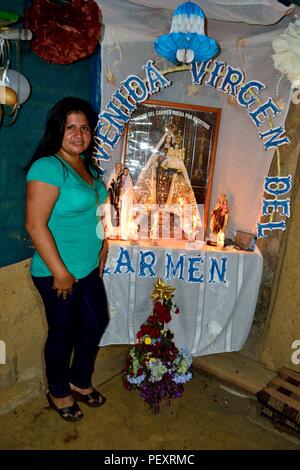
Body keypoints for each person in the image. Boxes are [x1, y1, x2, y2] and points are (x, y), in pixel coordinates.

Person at [25, 97, 109, 422]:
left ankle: (79, 381)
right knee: (63, 334)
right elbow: (35, 224)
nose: (78, 133)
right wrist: (60, 273)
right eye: (70, 127)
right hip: (56, 273)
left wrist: (104, 243)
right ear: (57, 129)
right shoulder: (48, 167)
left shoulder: (88, 166)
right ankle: (59, 391)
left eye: (84, 127)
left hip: (87, 269)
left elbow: (101, 208)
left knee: (96, 322)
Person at [119, 166, 136, 240]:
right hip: (124, 198)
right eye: (124, 171)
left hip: (129, 198)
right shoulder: (121, 178)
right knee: (123, 215)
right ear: (123, 171)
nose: (126, 172)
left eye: (127, 171)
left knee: (129, 215)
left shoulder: (129, 178)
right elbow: (120, 188)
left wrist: (134, 199)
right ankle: (123, 235)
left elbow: (132, 188)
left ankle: (128, 233)